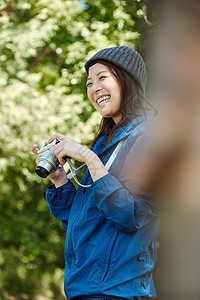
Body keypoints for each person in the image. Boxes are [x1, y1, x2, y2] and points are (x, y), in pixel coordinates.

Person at [31, 46, 158, 300]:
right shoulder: (104, 145)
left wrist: (88, 158)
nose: (94, 88)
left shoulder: (148, 137)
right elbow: (82, 220)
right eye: (89, 82)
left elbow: (131, 215)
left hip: (116, 291)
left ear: (127, 80)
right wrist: (60, 178)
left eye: (103, 78)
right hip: (84, 290)